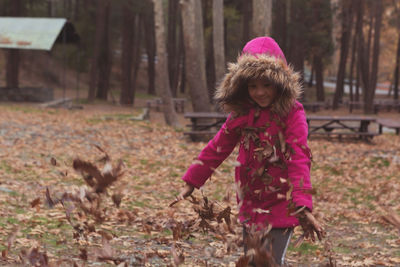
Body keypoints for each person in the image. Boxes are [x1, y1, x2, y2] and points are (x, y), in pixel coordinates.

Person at [174, 36, 324, 265]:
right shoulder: (242, 113)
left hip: (281, 201)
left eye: (266, 85)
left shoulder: (292, 114)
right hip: (250, 200)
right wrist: (192, 181)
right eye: (252, 86)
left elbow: (299, 158)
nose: (259, 92)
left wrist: (303, 205)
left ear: (279, 83)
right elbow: (217, 147)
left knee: (270, 261)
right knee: (253, 259)